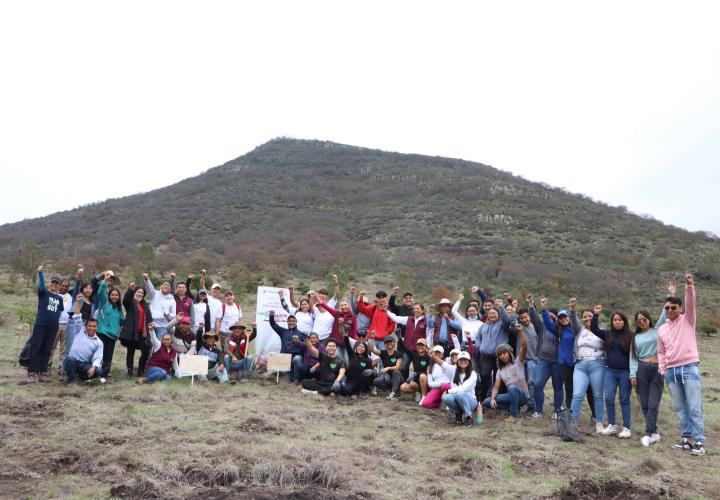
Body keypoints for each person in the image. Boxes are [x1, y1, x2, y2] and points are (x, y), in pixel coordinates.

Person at [658, 274, 705, 456]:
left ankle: (699, 442)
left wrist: (689, 286)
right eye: (667, 308)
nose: (670, 310)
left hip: (689, 367)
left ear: (680, 308)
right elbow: (661, 351)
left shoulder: (688, 320)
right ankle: (687, 439)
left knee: (694, 406)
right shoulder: (662, 329)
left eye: (673, 307)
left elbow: (691, 302)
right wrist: (663, 369)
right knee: (680, 408)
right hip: (671, 371)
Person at [631, 294, 669, 446]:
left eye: (644, 319)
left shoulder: (657, 329)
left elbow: (664, 313)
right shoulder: (635, 337)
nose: (641, 322)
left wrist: (669, 296)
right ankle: (654, 433)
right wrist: (632, 374)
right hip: (641, 369)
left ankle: (648, 433)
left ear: (649, 319)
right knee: (645, 404)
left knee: (653, 404)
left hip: (657, 369)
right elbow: (632, 357)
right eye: (638, 321)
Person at [591, 305, 634, 439]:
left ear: (624, 321)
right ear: (612, 322)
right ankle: (612, 425)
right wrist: (596, 315)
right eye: (615, 320)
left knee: (624, 399)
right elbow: (594, 329)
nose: (617, 322)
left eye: (620, 320)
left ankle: (626, 428)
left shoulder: (631, 335)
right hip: (610, 371)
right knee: (609, 398)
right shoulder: (608, 333)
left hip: (625, 372)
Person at [569, 306, 606, 432]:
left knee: (598, 395)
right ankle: (573, 423)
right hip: (580, 365)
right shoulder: (580, 331)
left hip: (597, 365)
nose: (587, 318)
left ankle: (599, 422)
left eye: (589, 316)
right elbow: (573, 320)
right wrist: (573, 309)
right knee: (577, 394)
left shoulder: (601, 331)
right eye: (584, 316)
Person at [27, 265, 65, 383]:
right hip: (40, 325)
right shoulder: (43, 293)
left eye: (56, 283)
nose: (54, 285)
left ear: (59, 286)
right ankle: (31, 373)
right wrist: (40, 273)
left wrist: (54, 321)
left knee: (47, 349)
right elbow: (41, 285)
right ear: (50, 284)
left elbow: (59, 311)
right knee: (36, 347)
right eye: (53, 283)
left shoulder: (59, 298)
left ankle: (43, 372)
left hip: (53, 327)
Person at [485, 326, 529, 422]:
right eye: (500, 355)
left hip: (522, 396)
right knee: (487, 401)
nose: (502, 356)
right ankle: (511, 409)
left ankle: (513, 416)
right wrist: (493, 399)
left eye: (504, 353)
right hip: (510, 396)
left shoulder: (518, 362)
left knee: (512, 387)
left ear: (509, 353)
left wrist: (521, 331)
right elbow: (496, 387)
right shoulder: (500, 371)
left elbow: (524, 346)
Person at [473, 301, 514, 401]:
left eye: (494, 313)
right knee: (484, 375)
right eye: (490, 313)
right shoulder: (483, 326)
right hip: (486, 356)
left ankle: (499, 400)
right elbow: (478, 337)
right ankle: (482, 399)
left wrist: (501, 308)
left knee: (499, 378)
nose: (491, 315)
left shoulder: (502, 325)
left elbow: (508, 321)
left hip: (499, 356)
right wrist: (479, 346)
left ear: (498, 315)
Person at [541, 300, 576, 414]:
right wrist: (543, 309)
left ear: (569, 317)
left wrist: (573, 309)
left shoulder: (575, 329)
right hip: (564, 364)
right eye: (560, 318)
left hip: (577, 363)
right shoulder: (559, 330)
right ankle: (569, 411)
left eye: (565, 317)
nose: (563, 319)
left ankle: (594, 415)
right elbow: (548, 323)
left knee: (581, 389)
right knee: (568, 388)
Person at [532, 297, 563, 419]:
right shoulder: (542, 327)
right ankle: (539, 411)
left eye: (553, 316)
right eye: (548, 316)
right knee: (538, 384)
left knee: (558, 386)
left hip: (557, 362)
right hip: (543, 360)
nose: (550, 318)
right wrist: (533, 306)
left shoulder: (561, 329)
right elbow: (534, 318)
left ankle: (557, 411)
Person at [64, 295, 104, 384]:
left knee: (99, 370)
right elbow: (77, 315)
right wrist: (78, 301)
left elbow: (98, 357)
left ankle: (81, 378)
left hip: (84, 365)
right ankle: (71, 381)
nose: (92, 328)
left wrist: (94, 367)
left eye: (94, 326)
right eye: (90, 326)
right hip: (72, 362)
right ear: (85, 326)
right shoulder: (79, 330)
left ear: (97, 327)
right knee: (71, 359)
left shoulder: (98, 342)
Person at [385, 302, 428, 379]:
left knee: (418, 369)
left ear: (422, 310)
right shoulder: (409, 319)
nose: (415, 310)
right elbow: (396, 318)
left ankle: (416, 386)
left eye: (418, 309)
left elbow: (429, 335)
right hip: (407, 349)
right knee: (404, 367)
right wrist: (386, 311)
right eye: (414, 309)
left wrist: (427, 347)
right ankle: (401, 384)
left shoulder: (426, 321)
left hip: (419, 350)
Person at [118, 281, 153, 378]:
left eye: (142, 293)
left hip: (142, 333)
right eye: (138, 292)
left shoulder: (144, 304)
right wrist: (130, 290)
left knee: (145, 351)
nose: (140, 294)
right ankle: (129, 371)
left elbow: (149, 317)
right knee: (131, 352)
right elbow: (125, 300)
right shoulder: (131, 303)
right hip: (132, 332)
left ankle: (140, 370)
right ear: (135, 293)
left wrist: (151, 323)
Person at [95, 276, 125, 377]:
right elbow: (100, 292)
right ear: (109, 295)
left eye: (116, 295)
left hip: (113, 335)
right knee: (99, 354)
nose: (114, 297)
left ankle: (104, 374)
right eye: (112, 295)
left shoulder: (118, 309)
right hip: (102, 332)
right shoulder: (104, 302)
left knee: (108, 356)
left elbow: (122, 321)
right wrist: (105, 281)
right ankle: (94, 373)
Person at [441, 351, 478, 427]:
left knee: (459, 393)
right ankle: (458, 414)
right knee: (447, 398)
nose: (463, 361)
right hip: (458, 398)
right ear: (457, 361)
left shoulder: (473, 374)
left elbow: (463, 388)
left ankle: (469, 417)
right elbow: (443, 364)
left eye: (465, 360)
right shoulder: (454, 370)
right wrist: (433, 356)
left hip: (471, 401)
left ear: (469, 361)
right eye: (461, 360)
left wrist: (448, 391)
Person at [314, 298, 356, 362]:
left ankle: (345, 371)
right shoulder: (337, 314)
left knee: (347, 361)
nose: (344, 306)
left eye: (345, 304)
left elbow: (355, 331)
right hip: (336, 343)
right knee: (335, 361)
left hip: (347, 344)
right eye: (342, 305)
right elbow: (328, 308)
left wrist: (354, 343)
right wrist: (321, 302)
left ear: (349, 305)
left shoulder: (353, 317)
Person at [268, 310, 306, 382]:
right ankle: (290, 376)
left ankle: (297, 378)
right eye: (289, 321)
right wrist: (271, 316)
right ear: (287, 322)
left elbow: (305, 347)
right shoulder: (283, 331)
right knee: (287, 381)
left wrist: (298, 342)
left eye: (293, 321)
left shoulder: (301, 333)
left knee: (297, 359)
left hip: (296, 357)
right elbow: (273, 325)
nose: (291, 322)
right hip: (285, 358)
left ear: (296, 322)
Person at [48, 277, 72, 377]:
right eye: (63, 285)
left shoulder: (70, 296)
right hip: (55, 324)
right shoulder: (54, 295)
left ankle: (61, 368)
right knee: (51, 347)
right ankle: (47, 367)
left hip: (67, 325)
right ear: (59, 285)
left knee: (63, 349)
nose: (64, 287)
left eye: (66, 286)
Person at [397, 336, 431, 403]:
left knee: (422, 376)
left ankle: (424, 396)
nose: (420, 346)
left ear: (426, 347)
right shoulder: (414, 354)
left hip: (425, 379)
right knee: (403, 387)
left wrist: (416, 374)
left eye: (422, 345)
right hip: (416, 379)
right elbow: (405, 348)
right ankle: (419, 392)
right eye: (418, 345)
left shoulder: (428, 357)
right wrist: (400, 338)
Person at [369, 334, 403, 399]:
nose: (389, 343)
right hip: (387, 377)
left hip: (397, 378)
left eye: (390, 341)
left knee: (395, 371)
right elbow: (372, 349)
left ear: (394, 343)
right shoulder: (383, 353)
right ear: (384, 344)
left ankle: (394, 392)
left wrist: (388, 368)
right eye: (387, 342)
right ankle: (390, 392)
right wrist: (372, 339)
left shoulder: (398, 354)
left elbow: (397, 367)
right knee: (376, 381)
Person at [341, 330, 373, 399]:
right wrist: (346, 334)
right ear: (356, 347)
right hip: (351, 381)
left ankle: (361, 392)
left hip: (361, 382)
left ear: (365, 349)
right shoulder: (352, 355)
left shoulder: (368, 360)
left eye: (362, 347)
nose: (360, 348)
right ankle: (354, 393)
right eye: (359, 346)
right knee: (345, 390)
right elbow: (347, 344)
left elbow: (369, 374)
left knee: (368, 373)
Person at [144, 274, 177, 340]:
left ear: (170, 289)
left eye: (168, 286)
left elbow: (173, 316)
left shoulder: (172, 300)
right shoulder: (154, 294)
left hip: (162, 326)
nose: (166, 286)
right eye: (164, 285)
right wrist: (147, 279)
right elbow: (150, 287)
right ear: (160, 286)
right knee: (148, 345)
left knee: (160, 345)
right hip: (150, 323)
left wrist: (167, 315)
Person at [310, 277, 340, 342]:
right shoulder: (315, 306)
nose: (322, 295)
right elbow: (311, 309)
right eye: (320, 294)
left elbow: (336, 293)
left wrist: (336, 282)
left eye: (324, 294)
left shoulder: (330, 304)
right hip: (315, 337)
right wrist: (311, 298)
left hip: (326, 337)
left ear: (326, 296)